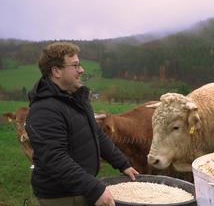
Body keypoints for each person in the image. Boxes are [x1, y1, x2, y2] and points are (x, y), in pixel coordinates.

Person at [26, 42, 139, 206]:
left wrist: (122, 164)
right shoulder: (44, 110)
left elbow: (97, 134)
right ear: (56, 71)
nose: (81, 70)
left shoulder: (76, 98)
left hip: (81, 187)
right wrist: (94, 189)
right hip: (61, 196)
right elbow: (55, 158)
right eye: (75, 65)